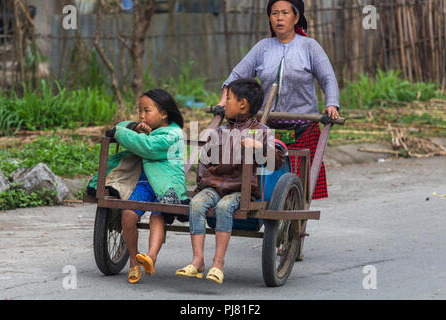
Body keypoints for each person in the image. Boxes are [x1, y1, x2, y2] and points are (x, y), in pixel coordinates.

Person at [216, 0, 340, 200]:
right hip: (268, 127)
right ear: (269, 18)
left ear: (296, 17)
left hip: (303, 127)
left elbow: (327, 78)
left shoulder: (310, 47)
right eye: (274, 13)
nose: (279, 18)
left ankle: (297, 222)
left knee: (301, 184)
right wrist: (223, 101)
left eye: (284, 13)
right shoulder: (263, 47)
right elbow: (237, 74)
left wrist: (331, 104)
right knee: (264, 182)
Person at [175, 78, 285, 284]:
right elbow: (204, 162)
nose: (223, 104)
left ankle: (218, 263)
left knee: (225, 207)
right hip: (213, 186)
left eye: (228, 100)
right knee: (197, 204)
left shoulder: (261, 132)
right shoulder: (219, 132)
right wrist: (200, 187)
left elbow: (277, 161)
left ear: (242, 104)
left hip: (240, 189)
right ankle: (198, 260)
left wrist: (258, 147)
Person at [101, 89, 188, 284]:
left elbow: (147, 147)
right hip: (144, 182)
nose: (141, 116)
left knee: (158, 215)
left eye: (146, 111)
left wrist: (124, 133)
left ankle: (150, 257)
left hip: (166, 186)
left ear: (164, 113)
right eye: (139, 111)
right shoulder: (147, 129)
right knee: (128, 215)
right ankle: (133, 259)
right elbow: (121, 127)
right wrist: (134, 127)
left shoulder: (173, 134)